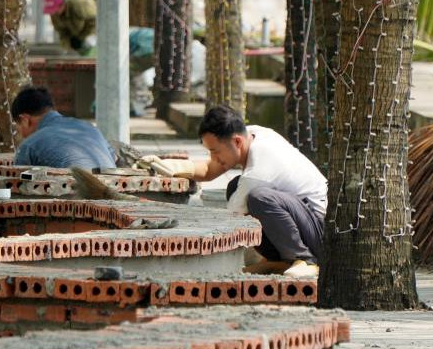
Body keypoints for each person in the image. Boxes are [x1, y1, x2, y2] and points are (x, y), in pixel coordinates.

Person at [139, 106, 326, 278]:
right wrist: (168, 166)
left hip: (320, 229)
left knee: (259, 198)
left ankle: (306, 260)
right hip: (303, 217)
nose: (213, 158)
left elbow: (228, 221)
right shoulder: (252, 133)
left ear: (237, 142)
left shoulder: (259, 170)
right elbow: (209, 170)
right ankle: (278, 261)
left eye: (215, 151)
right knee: (235, 186)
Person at [11, 86, 116, 170]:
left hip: (76, 193)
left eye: (18, 126)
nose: (20, 133)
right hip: (113, 188)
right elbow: (113, 158)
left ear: (25, 120)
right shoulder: (90, 127)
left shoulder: (30, 145)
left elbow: (17, 181)